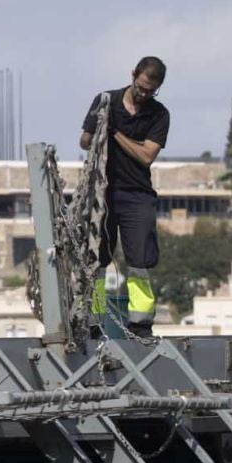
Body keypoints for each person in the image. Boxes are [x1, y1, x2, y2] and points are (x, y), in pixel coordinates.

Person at [81, 57, 170, 341]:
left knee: (139, 261)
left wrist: (114, 132)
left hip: (137, 195)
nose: (144, 93)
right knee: (96, 260)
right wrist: (97, 127)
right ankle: (93, 320)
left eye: (150, 91)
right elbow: (84, 142)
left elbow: (146, 156)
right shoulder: (105, 101)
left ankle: (140, 324)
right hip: (103, 193)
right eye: (141, 86)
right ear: (133, 75)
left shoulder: (159, 114)